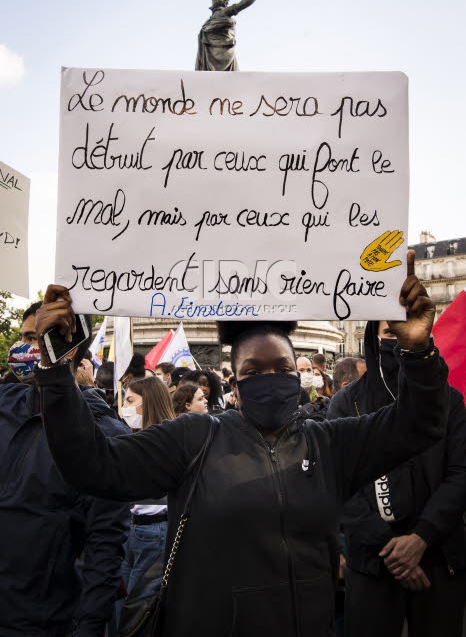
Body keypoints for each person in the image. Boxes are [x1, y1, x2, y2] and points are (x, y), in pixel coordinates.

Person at [37, 254, 450, 637]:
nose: (270, 377)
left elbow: (420, 424)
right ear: (235, 384)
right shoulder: (194, 438)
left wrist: (418, 350)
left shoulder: (331, 444)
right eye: (254, 371)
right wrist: (55, 370)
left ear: (297, 377)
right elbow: (94, 464)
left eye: (283, 368)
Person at [327, 320, 466, 637]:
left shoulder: (451, 402)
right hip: (373, 564)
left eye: (408, 333)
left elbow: (461, 473)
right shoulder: (347, 405)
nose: (400, 341)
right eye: (391, 334)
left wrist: (421, 537)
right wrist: (391, 548)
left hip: (440, 561)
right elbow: (338, 483)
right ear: (375, 339)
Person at [0, 301, 130, 637]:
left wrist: (88, 625)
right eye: (24, 337)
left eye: (37, 338)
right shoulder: (4, 405)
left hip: (44, 621)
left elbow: (105, 545)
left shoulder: (102, 435)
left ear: (68, 351)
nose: (25, 349)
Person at [117, 377, 176, 629]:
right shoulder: (130, 438)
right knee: (124, 604)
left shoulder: (170, 440)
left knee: (141, 609)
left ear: (148, 403)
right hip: (129, 530)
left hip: (155, 530)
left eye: (130, 401)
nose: (126, 408)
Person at [195, 0, 264, 71]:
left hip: (209, 60)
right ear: (224, 4)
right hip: (227, 54)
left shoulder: (207, 24)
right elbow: (243, 4)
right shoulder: (223, 13)